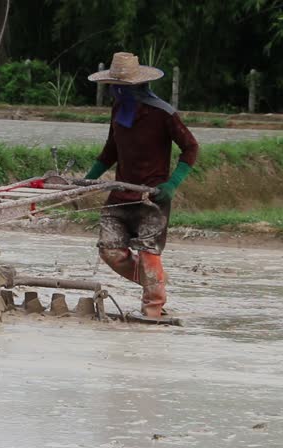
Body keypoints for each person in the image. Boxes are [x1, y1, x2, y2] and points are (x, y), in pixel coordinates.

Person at [85, 52, 198, 321]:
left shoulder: (164, 114)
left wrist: (172, 185)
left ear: (133, 88)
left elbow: (191, 147)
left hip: (153, 197)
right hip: (120, 195)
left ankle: (153, 309)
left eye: (117, 88)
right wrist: (88, 180)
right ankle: (156, 281)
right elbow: (110, 151)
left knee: (148, 253)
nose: (114, 92)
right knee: (109, 251)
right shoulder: (118, 111)